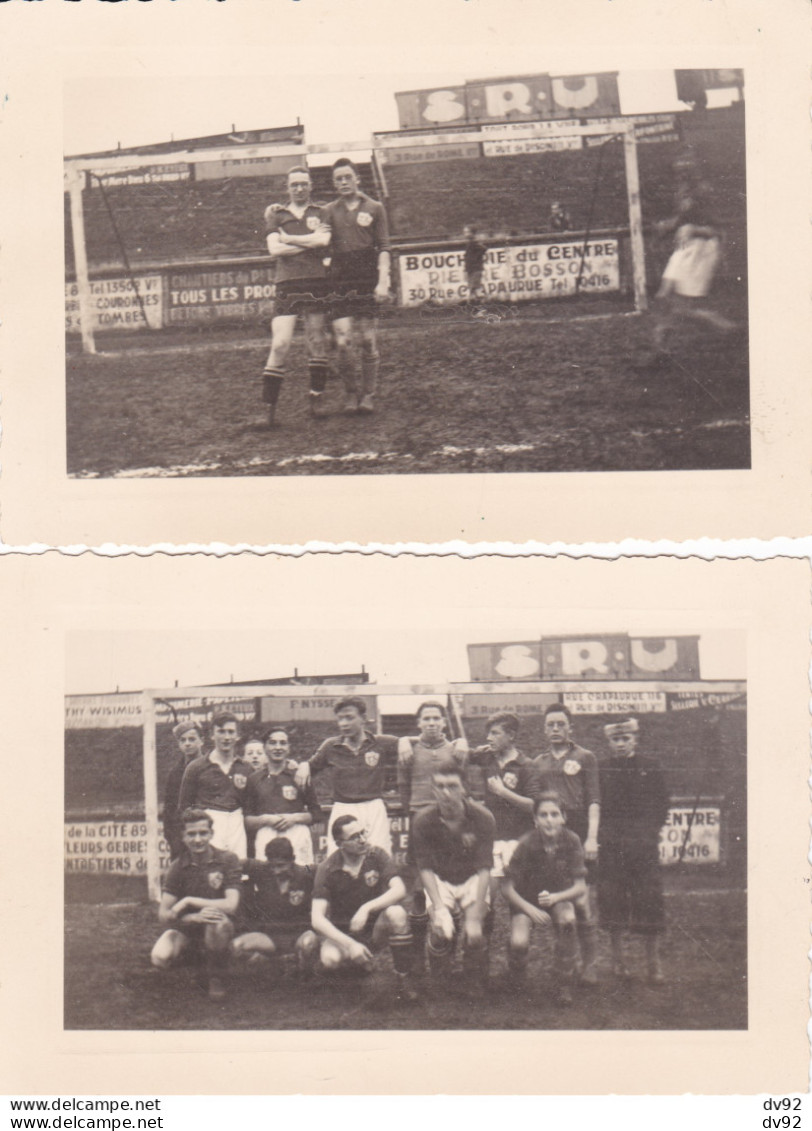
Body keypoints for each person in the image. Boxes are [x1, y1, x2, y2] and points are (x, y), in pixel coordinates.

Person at [310, 814, 418, 1002]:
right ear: (339, 843)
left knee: (397, 913)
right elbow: (317, 919)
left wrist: (366, 908)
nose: (362, 840)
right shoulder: (327, 867)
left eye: (363, 833)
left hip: (374, 930)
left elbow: (400, 889)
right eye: (354, 837)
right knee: (330, 960)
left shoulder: (376, 855)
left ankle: (403, 978)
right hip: (345, 935)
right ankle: (354, 973)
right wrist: (350, 945)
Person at [410, 763, 495, 996]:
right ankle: (441, 977)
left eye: (452, 786)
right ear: (433, 789)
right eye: (440, 786)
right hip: (440, 879)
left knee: (474, 933)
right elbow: (425, 868)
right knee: (440, 930)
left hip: (471, 878)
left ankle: (473, 977)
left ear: (464, 788)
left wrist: (476, 913)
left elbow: (485, 868)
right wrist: (439, 908)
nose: (446, 793)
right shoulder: (422, 820)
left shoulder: (483, 817)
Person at [598, 716, 669, 983]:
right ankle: (619, 962)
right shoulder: (602, 769)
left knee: (650, 902)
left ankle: (654, 964)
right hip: (612, 849)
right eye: (615, 739)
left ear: (635, 739)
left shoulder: (650, 767)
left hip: (643, 849)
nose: (620, 744)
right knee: (612, 902)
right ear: (609, 742)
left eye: (625, 738)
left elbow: (662, 805)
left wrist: (649, 834)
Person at [259, 166, 332, 425]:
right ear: (287, 188)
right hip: (287, 284)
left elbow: (323, 243)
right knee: (280, 344)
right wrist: (306, 242)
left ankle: (317, 398)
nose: (299, 188)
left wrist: (288, 239)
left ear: (311, 186)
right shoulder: (276, 214)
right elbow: (273, 249)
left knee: (316, 341)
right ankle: (267, 408)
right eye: (294, 184)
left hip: (316, 282)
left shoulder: (322, 211)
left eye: (303, 183)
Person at [644, 158, 736, 364]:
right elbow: (680, 220)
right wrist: (664, 228)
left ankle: (727, 328)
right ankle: (660, 349)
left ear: (693, 172)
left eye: (685, 171)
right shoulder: (681, 194)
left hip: (702, 250)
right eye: (678, 171)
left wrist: (694, 229)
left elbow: (716, 229)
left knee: (683, 308)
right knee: (662, 296)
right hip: (684, 249)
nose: (681, 175)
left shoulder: (704, 193)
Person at [397, 701, 469, 960]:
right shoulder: (409, 750)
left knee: (450, 885)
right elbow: (403, 788)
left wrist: (462, 740)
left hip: (448, 823)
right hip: (420, 821)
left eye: (436, 718)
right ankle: (417, 958)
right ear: (418, 723)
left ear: (443, 722)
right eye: (425, 718)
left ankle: (449, 955)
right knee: (418, 890)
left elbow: (465, 786)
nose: (431, 723)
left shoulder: (455, 750)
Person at [533, 703, 599, 982]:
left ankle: (590, 963)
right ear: (544, 729)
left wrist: (592, 837)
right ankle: (566, 961)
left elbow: (594, 800)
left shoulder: (585, 757)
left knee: (582, 902)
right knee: (560, 903)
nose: (556, 729)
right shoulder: (538, 763)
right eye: (551, 725)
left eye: (561, 724)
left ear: (570, 727)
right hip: (550, 832)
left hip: (578, 829)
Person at [501, 791, 587, 1006]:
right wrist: (530, 910)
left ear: (563, 817)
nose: (549, 820)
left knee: (568, 921)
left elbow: (580, 886)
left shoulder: (572, 840)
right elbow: (507, 888)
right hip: (526, 902)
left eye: (554, 814)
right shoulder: (526, 843)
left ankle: (564, 982)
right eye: (543, 815)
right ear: (535, 819)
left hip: (558, 898)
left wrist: (557, 897)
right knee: (519, 942)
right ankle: (516, 974)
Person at [320, 158, 392, 415]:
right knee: (342, 341)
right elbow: (308, 223)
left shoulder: (375, 207)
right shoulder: (328, 210)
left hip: (366, 274)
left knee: (368, 340)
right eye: (338, 179)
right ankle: (351, 392)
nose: (343, 182)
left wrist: (383, 281)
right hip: (340, 276)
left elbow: (384, 247)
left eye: (347, 177)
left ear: (357, 178)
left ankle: (368, 394)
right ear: (334, 183)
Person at [150, 808, 241, 1001]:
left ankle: (216, 977)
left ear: (211, 834)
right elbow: (163, 914)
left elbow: (231, 904)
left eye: (203, 833)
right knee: (160, 958)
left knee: (216, 919)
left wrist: (188, 901)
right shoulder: (177, 867)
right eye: (191, 834)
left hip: (219, 927)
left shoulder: (227, 860)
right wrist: (191, 917)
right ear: (183, 837)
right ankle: (197, 958)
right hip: (189, 928)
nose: (198, 839)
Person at [294, 697, 397, 853]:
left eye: (349, 717)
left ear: (363, 718)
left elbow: (409, 743)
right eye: (340, 719)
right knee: (337, 856)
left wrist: (403, 744)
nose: (344, 723)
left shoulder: (380, 742)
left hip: (373, 808)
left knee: (378, 856)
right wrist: (303, 765)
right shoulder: (330, 746)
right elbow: (310, 767)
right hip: (343, 808)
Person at [467, 712, 540, 902]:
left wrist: (502, 791)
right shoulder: (486, 757)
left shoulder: (526, 765)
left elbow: (533, 805)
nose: (489, 738)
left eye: (495, 733)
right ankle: (484, 929)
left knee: (520, 896)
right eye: (488, 733)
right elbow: (459, 756)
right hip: (491, 837)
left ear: (511, 736)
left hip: (519, 838)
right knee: (484, 895)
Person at [232, 837, 319, 976]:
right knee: (237, 946)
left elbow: (325, 868)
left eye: (281, 865)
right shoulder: (260, 868)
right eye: (272, 866)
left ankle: (303, 980)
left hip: (298, 934)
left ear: (293, 859)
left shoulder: (306, 871)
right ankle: (274, 966)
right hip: (269, 935)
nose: (276, 871)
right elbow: (230, 863)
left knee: (310, 943)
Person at [243, 727, 321, 865]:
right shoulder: (254, 779)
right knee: (267, 878)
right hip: (266, 833)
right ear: (265, 747)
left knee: (302, 875)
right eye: (273, 743)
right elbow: (247, 820)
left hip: (296, 831)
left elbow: (316, 813)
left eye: (283, 743)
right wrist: (265, 819)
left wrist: (295, 818)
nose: (278, 747)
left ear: (289, 748)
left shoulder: (300, 775)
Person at [178, 711, 250, 858]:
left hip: (237, 825)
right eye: (221, 732)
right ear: (212, 735)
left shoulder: (246, 767)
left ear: (237, 736)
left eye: (231, 732)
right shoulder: (196, 767)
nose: (226, 737)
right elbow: (184, 807)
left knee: (237, 871)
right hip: (209, 825)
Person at [162, 721, 204, 860]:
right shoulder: (175, 774)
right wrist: (175, 841)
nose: (187, 744)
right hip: (183, 840)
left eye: (192, 739)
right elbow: (169, 811)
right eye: (183, 740)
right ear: (179, 744)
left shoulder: (212, 767)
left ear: (201, 740)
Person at [462, 225, 487, 302]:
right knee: (472, 289)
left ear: (472, 233)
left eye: (467, 232)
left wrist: (476, 259)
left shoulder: (474, 242)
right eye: (464, 232)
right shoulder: (470, 243)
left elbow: (483, 249)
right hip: (471, 269)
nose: (465, 234)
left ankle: (481, 308)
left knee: (476, 288)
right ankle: (476, 309)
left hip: (475, 269)